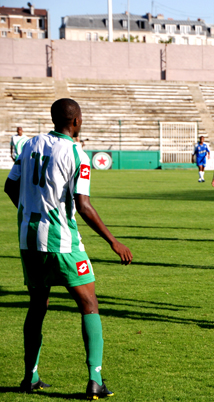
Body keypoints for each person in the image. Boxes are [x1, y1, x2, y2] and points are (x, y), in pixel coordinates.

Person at [3, 99, 133, 398]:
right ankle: (94, 380)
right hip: (62, 240)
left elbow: (10, 187)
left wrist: (29, 210)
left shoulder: (30, 144)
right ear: (76, 121)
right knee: (89, 304)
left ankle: (30, 377)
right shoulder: (76, 153)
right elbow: (83, 206)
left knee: (37, 305)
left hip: (28, 239)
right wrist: (113, 242)